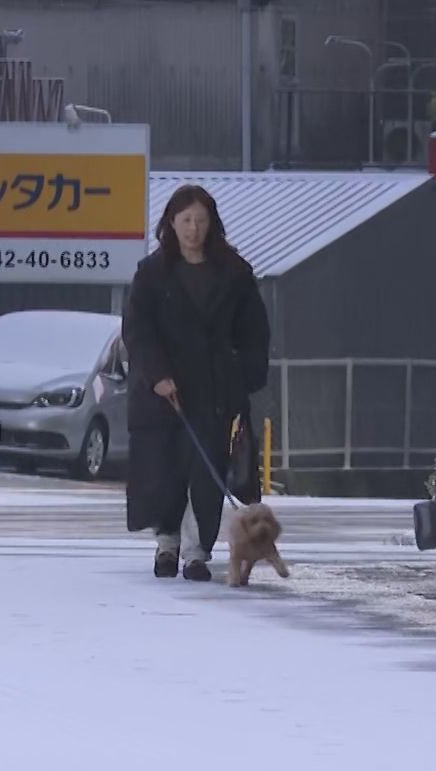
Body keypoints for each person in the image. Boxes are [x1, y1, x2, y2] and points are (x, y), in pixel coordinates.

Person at [121, 184, 271, 581]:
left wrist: (243, 375)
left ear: (212, 224)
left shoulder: (235, 273)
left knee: (207, 475)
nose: (193, 229)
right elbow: (138, 331)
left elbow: (255, 332)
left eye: (201, 221)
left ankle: (195, 554)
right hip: (163, 393)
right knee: (165, 473)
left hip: (215, 391)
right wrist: (156, 376)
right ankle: (166, 546)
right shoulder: (151, 274)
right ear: (171, 222)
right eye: (186, 220)